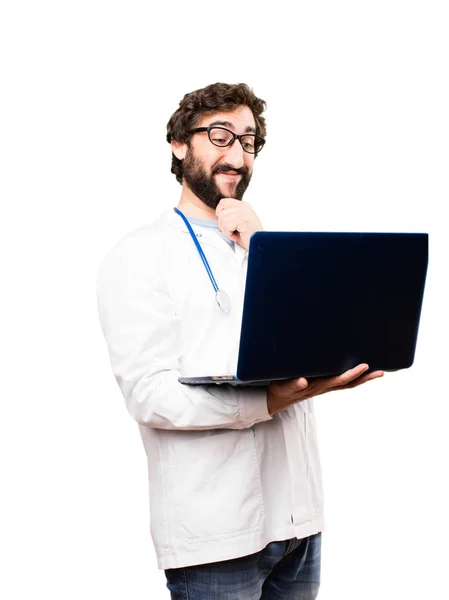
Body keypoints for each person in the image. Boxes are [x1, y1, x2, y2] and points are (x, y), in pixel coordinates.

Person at [96, 82, 384, 600]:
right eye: (221, 136)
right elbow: (149, 395)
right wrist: (267, 400)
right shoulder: (138, 256)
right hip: (215, 537)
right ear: (180, 145)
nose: (237, 155)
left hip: (299, 525)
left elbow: (305, 338)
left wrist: (335, 363)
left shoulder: (265, 244)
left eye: (249, 142)